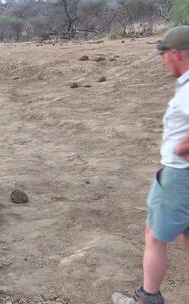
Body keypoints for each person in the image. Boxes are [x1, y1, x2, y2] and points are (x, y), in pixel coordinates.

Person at [112, 25, 189, 304]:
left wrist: (185, 145)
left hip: (179, 177)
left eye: (164, 54)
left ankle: (147, 298)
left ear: (177, 54)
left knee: (155, 236)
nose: (162, 60)